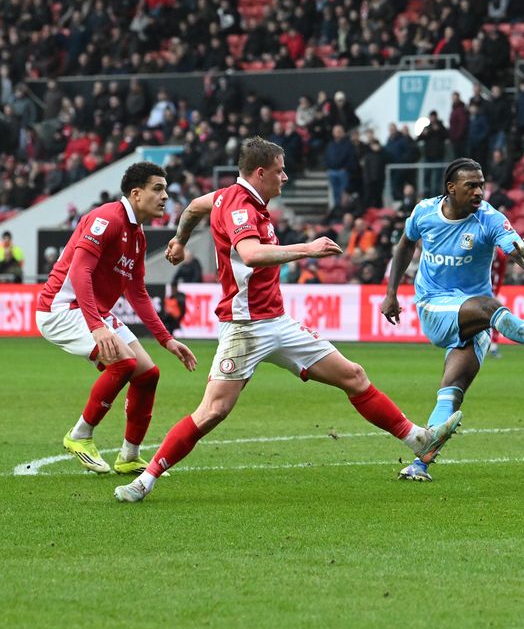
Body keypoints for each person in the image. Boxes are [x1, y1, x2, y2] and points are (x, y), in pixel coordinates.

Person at [114, 138, 461, 503]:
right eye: (280, 170)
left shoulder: (230, 197)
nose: (286, 176)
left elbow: (195, 207)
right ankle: (144, 481)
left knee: (354, 376)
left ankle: (418, 439)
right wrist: (308, 249)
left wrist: (181, 239)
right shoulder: (239, 207)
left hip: (276, 321)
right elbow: (249, 254)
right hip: (245, 327)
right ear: (260, 173)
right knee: (214, 410)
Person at [381, 158, 524, 482]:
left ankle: (420, 462)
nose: (479, 191)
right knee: (490, 307)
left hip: (472, 316)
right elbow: (405, 244)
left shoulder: (490, 219)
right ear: (451, 188)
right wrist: (391, 292)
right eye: (470, 185)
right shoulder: (424, 212)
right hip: (435, 307)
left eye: (481, 184)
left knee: (452, 389)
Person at [35, 162, 198, 475]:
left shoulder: (138, 237)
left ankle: (128, 456)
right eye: (158, 189)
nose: (165, 196)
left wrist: (167, 339)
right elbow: (79, 271)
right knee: (123, 362)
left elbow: (137, 294)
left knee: (147, 374)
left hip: (93, 311)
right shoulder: (106, 218)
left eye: (165, 189)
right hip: (61, 308)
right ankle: (80, 435)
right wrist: (97, 327)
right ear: (136, 194)